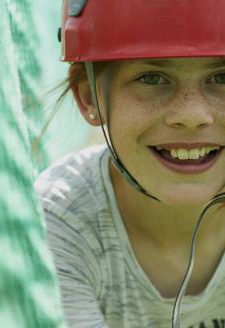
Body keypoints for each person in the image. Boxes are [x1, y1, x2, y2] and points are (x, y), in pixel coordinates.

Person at [35, 0, 225, 327]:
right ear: (90, 98)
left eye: (221, 77)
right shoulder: (59, 226)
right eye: (152, 78)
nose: (192, 115)